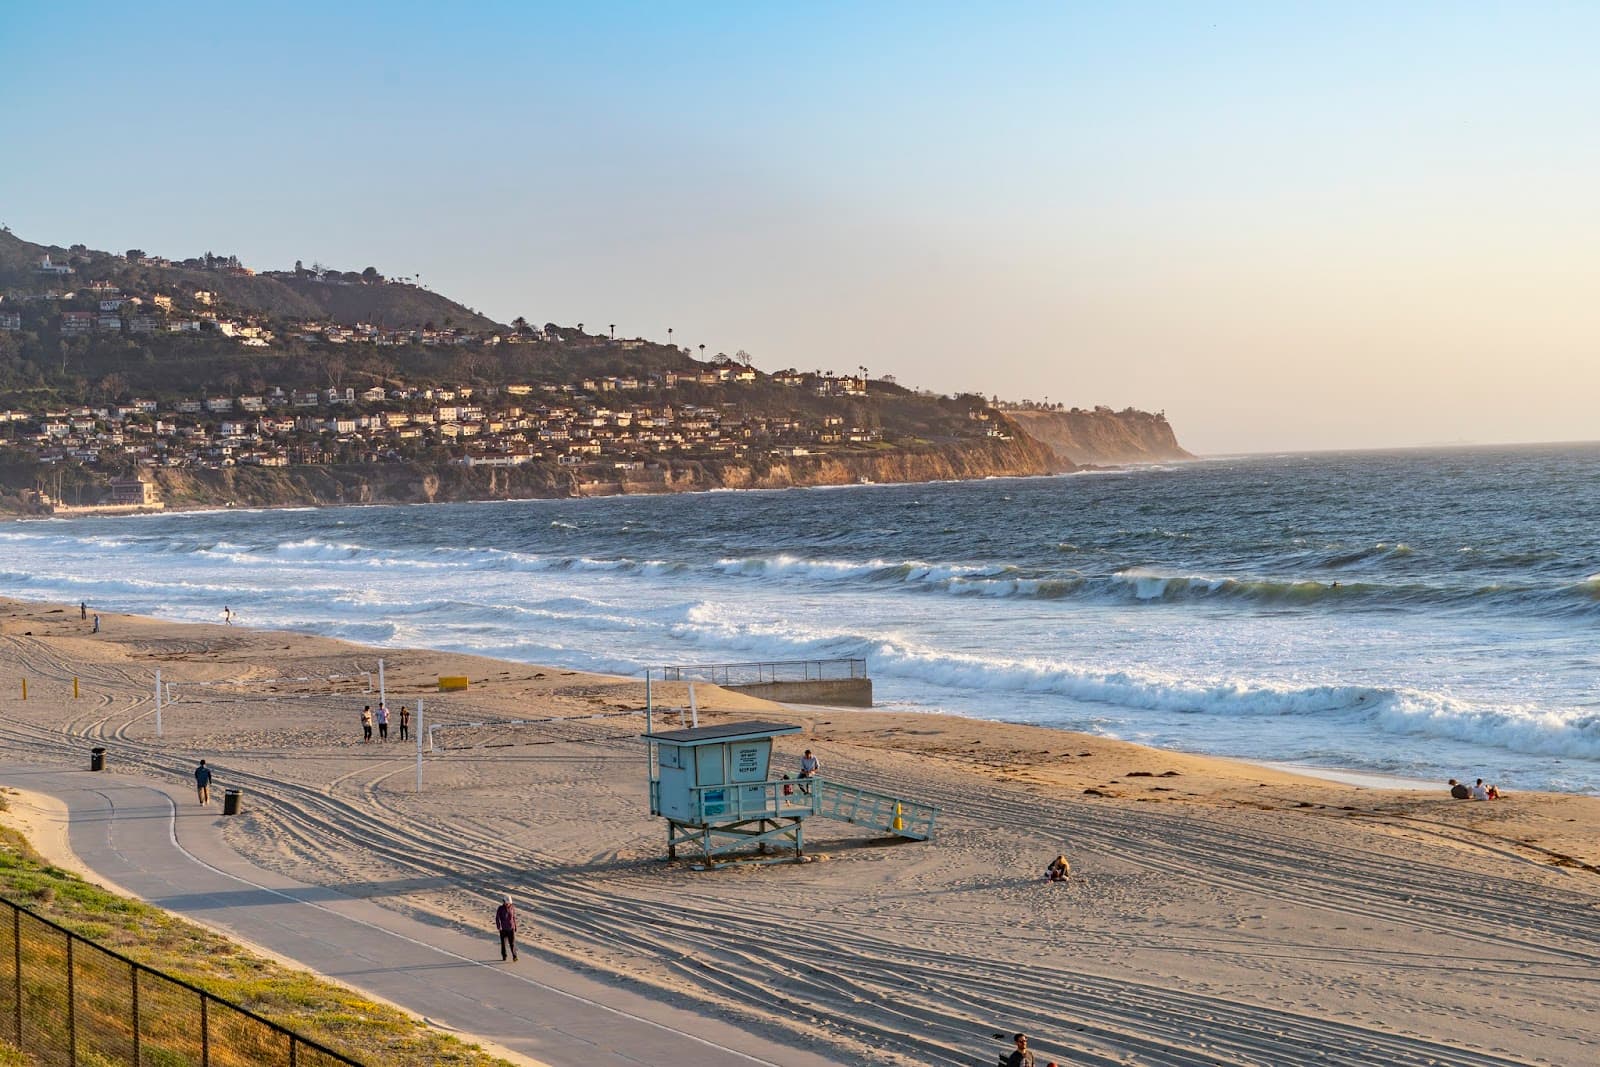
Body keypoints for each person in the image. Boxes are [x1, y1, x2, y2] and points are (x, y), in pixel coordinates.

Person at [494, 895, 519, 962]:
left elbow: (513, 917)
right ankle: (504, 956)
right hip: (503, 929)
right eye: (506, 903)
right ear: (504, 902)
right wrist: (499, 926)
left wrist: (515, 926)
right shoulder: (500, 908)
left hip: (511, 929)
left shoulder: (512, 908)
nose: (507, 904)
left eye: (509, 903)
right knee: (503, 944)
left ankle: (515, 956)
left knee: (512, 943)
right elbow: (497, 918)